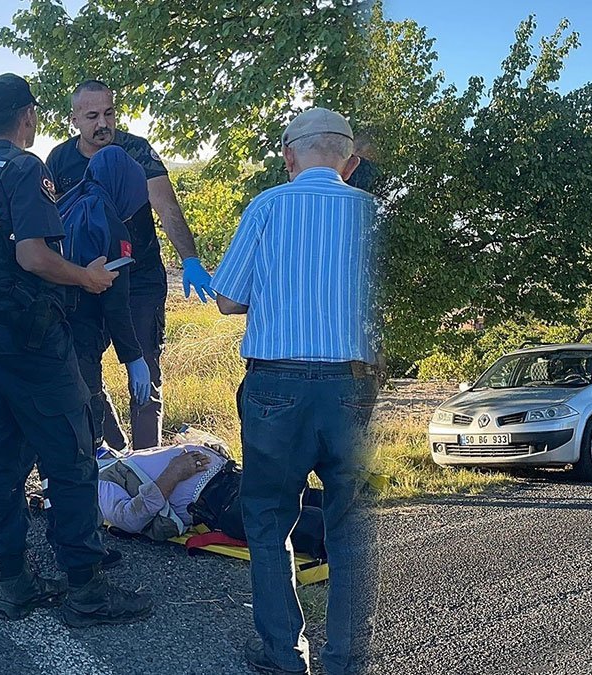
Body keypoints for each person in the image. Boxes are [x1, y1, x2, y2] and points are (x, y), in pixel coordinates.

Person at [0, 73, 152, 628]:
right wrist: (86, 278)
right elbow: (34, 256)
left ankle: (15, 582)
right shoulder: (26, 170)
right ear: (29, 115)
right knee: (71, 459)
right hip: (36, 338)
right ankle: (86, 590)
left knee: (2, 464)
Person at [212, 107, 381, 675]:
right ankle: (345, 660)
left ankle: (284, 655)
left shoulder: (266, 207)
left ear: (288, 155)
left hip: (275, 386)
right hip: (351, 388)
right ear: (350, 162)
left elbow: (229, 298)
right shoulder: (372, 215)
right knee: (350, 526)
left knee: (266, 518)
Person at [47, 79, 214, 450]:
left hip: (138, 278)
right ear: (74, 118)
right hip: (85, 282)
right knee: (83, 372)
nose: (102, 123)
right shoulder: (59, 160)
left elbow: (167, 208)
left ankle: (149, 469)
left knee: (143, 374)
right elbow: (53, 222)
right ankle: (116, 456)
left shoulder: (136, 151)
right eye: (91, 116)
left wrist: (190, 260)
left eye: (108, 113)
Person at [59, 146, 153, 451]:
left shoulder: (68, 206)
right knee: (87, 437)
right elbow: (115, 303)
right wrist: (134, 358)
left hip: (50, 335)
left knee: (59, 434)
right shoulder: (108, 222)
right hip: (82, 337)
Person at [97, 445, 326, 559]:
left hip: (233, 478)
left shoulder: (118, 457)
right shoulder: (97, 482)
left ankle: (357, 522)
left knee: (311, 498)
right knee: (307, 522)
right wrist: (173, 473)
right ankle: (355, 543)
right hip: (219, 503)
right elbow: (129, 519)